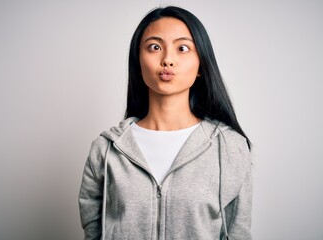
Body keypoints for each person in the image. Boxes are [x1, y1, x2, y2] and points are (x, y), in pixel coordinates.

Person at [79, 6, 252, 240]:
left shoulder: (230, 147)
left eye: (182, 48)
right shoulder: (106, 149)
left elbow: (238, 233)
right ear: (138, 61)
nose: (167, 60)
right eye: (155, 47)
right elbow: (93, 232)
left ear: (201, 64)